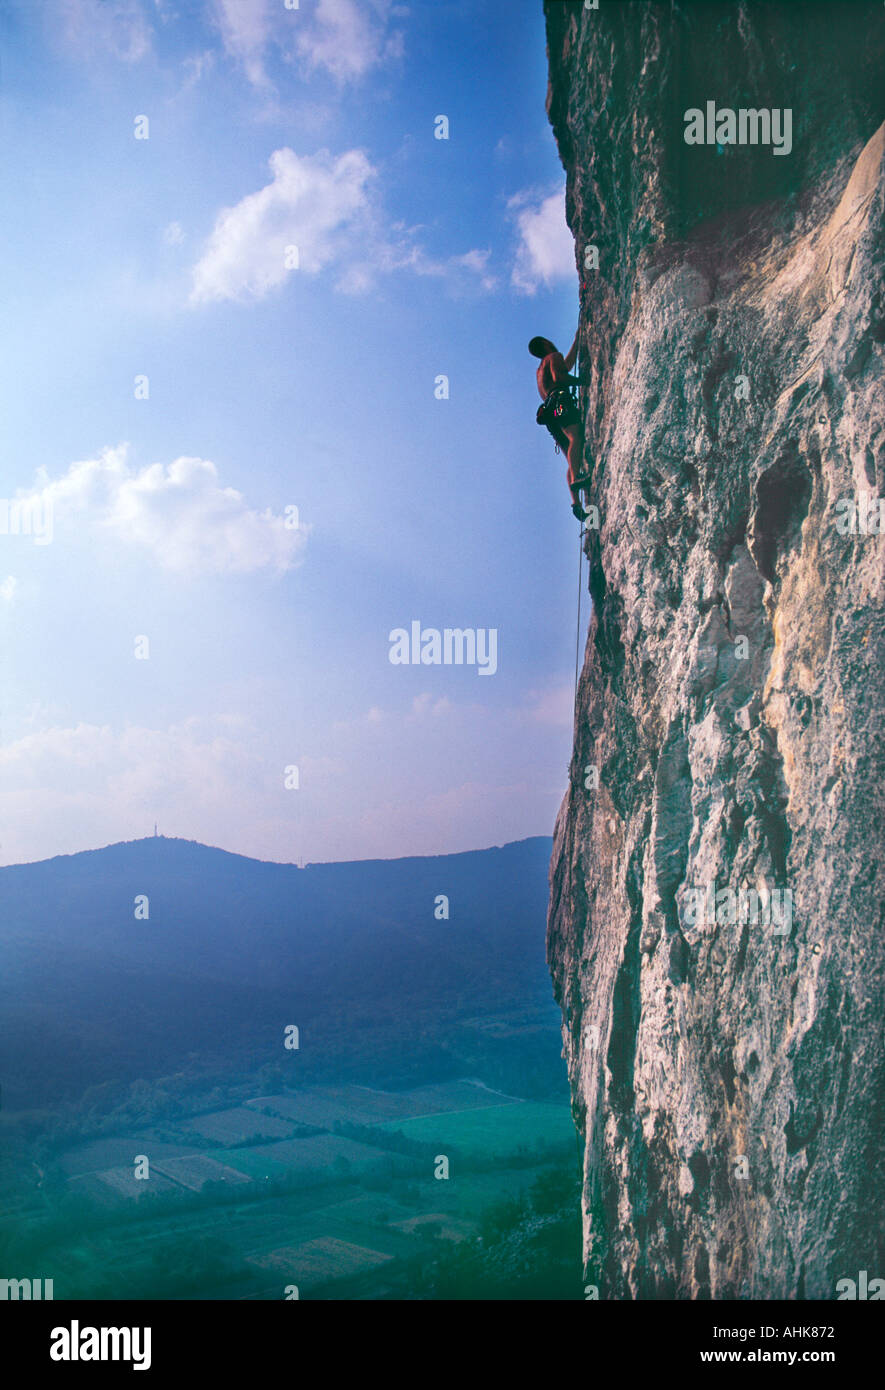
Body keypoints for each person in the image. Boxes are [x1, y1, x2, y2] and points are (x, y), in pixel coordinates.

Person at [530, 331, 591, 520]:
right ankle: (576, 479)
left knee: (572, 457)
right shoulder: (552, 357)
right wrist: (583, 382)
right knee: (576, 437)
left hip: (551, 414)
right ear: (546, 343)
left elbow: (565, 367)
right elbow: (560, 378)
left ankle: (576, 503)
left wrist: (576, 342)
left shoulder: (541, 369)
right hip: (560, 403)